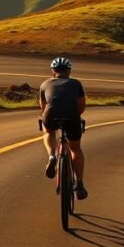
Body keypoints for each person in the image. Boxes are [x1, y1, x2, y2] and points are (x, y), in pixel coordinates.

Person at [40, 56, 88, 200]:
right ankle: (79, 183)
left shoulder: (45, 84)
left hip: (51, 115)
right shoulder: (75, 84)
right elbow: (81, 105)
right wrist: (74, 117)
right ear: (69, 71)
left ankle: (52, 156)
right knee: (75, 149)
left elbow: (43, 107)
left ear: (53, 72)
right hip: (72, 116)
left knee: (48, 131)